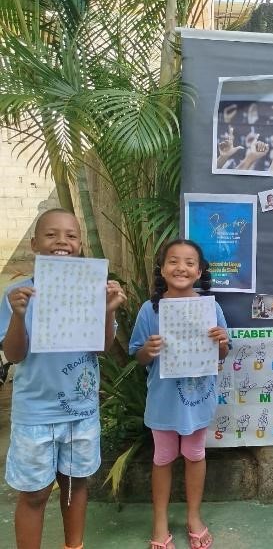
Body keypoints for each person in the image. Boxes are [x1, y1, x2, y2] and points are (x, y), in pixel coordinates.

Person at [0, 208, 126, 549]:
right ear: (34, 244)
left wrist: (108, 310)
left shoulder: (93, 292)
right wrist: (18, 316)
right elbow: (14, 355)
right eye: (51, 234)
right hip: (35, 414)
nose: (62, 241)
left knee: (75, 484)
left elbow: (101, 348)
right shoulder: (18, 294)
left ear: (80, 244)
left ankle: (74, 546)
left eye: (71, 235)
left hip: (80, 412)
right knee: (34, 493)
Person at [129, 239, 230, 549]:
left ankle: (193, 517)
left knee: (195, 454)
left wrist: (221, 341)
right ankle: (159, 522)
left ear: (199, 272)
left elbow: (223, 353)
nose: (181, 267)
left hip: (198, 399)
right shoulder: (150, 309)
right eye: (173, 261)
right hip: (163, 401)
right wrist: (148, 350)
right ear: (162, 269)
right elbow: (138, 355)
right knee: (162, 457)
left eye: (189, 262)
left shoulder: (210, 308)